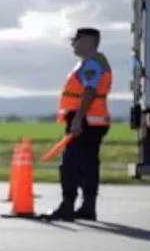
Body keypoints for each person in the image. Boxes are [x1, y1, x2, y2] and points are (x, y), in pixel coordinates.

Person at [44, 27, 111, 221]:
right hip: (93, 122)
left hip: (85, 123)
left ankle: (67, 206)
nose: (73, 44)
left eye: (76, 40)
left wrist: (77, 119)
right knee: (88, 166)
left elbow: (89, 92)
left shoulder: (91, 65)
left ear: (88, 42)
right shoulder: (94, 62)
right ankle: (88, 208)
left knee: (70, 165)